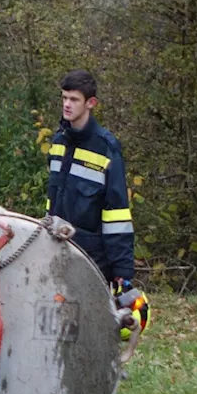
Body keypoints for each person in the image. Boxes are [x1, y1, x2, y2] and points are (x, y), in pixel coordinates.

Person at [45, 69, 135, 286]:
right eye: (64, 98)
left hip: (92, 257)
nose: (67, 104)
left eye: (74, 99)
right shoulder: (59, 142)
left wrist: (121, 268)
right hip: (55, 247)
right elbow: (52, 199)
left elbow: (117, 213)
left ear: (90, 103)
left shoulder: (106, 147)